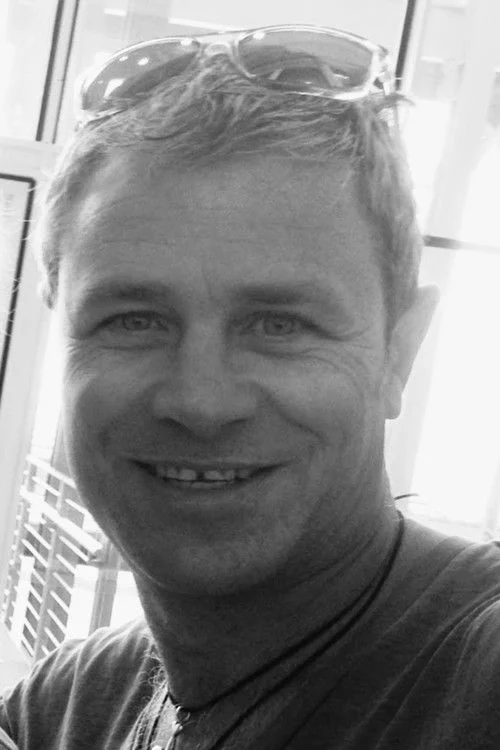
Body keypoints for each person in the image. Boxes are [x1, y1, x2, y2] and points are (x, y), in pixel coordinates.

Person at [1, 24, 500, 750]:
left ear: (400, 352)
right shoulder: (64, 709)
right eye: (134, 320)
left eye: (279, 324)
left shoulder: (477, 676)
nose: (201, 403)